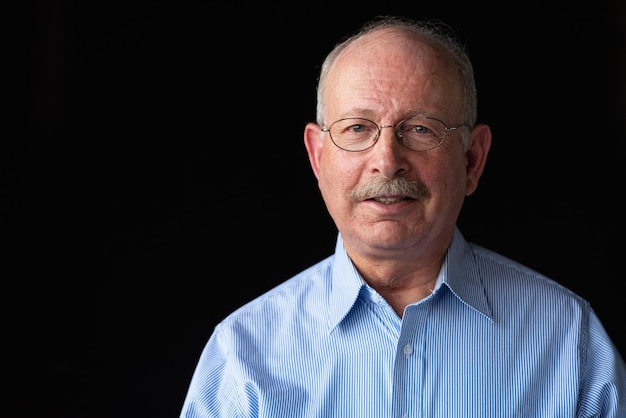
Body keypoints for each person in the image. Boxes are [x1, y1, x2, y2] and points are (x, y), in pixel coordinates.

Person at [180, 15, 626, 417]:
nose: (387, 160)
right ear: (317, 157)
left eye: (420, 129)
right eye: (358, 128)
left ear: (472, 159)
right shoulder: (242, 355)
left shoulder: (571, 341)